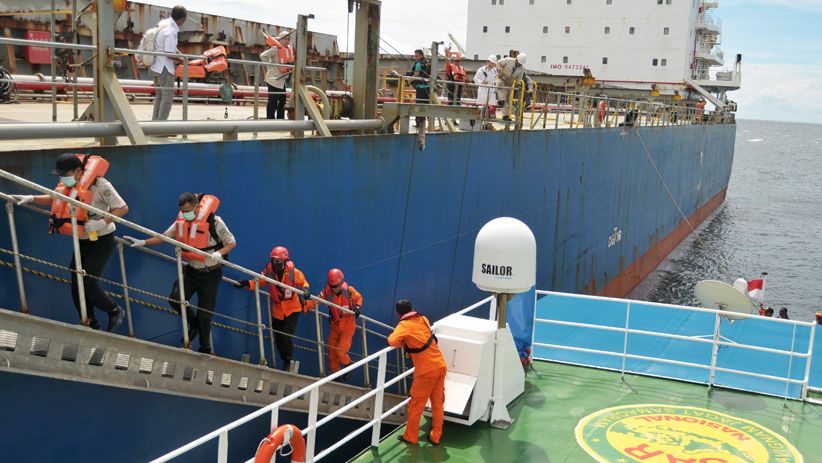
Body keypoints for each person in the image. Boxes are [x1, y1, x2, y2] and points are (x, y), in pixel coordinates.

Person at [14, 153, 128, 332]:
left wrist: (102, 222)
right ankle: (90, 323)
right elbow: (56, 199)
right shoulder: (68, 183)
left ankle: (114, 310)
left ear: (77, 171)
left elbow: (122, 208)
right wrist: (32, 198)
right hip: (82, 239)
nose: (62, 178)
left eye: (65, 174)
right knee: (76, 283)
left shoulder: (101, 185)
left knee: (88, 282)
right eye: (60, 175)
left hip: (102, 240)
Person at [125, 192, 236, 354]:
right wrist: (143, 242)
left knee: (205, 314)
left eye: (189, 211)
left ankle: (205, 349)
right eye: (183, 211)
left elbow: (231, 242)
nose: (186, 214)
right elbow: (164, 237)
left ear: (197, 207)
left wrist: (219, 253)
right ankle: (194, 323)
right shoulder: (181, 222)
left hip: (210, 274)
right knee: (175, 299)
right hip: (191, 271)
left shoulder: (215, 222)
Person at [236, 246, 311, 371]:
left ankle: (288, 360)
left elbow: (304, 282)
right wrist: (247, 284)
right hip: (277, 309)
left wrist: (306, 289)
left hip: (292, 308)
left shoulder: (294, 272)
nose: (275, 264)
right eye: (273, 261)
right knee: (278, 337)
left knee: (285, 336)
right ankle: (284, 360)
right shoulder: (268, 271)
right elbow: (259, 281)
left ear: (285, 261)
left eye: (278, 261)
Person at [388, 299, 447, 446]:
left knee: (416, 404)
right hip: (440, 365)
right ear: (412, 308)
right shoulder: (423, 318)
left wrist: (404, 342)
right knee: (438, 403)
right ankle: (436, 436)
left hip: (426, 371)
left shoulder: (404, 325)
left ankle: (411, 436)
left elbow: (392, 340)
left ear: (398, 313)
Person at [319, 268, 363, 380]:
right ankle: (336, 376)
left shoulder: (349, 291)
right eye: (332, 286)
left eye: (336, 286)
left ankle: (348, 365)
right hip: (335, 326)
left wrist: (357, 308)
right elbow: (316, 301)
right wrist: (304, 302)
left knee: (340, 351)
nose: (334, 289)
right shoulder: (326, 292)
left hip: (348, 326)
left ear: (341, 283)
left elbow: (358, 298)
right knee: (332, 352)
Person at [149, 5, 187, 121]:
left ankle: (155, 125)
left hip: (155, 66)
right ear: (182, 18)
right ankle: (161, 128)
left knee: (159, 97)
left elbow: (168, 47)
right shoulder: (172, 30)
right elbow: (169, 53)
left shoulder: (163, 23)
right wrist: (183, 60)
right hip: (164, 68)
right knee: (167, 99)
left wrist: (180, 54)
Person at [260, 31, 294, 120]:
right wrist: (270, 66)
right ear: (280, 39)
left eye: (288, 39)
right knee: (273, 101)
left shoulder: (288, 50)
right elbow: (263, 56)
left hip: (281, 80)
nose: (287, 41)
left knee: (282, 101)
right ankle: (270, 119)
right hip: (273, 79)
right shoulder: (275, 48)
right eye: (285, 39)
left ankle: (280, 119)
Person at [495, 53, 527, 121]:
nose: (519, 64)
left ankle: (505, 116)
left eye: (521, 63)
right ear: (517, 59)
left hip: (510, 84)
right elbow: (498, 63)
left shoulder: (521, 68)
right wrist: (499, 71)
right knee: (500, 88)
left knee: (509, 100)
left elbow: (519, 78)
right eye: (519, 63)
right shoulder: (508, 60)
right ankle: (501, 101)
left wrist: (518, 85)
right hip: (502, 79)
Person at [473, 55, 497, 120]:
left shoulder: (495, 71)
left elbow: (496, 81)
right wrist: (481, 82)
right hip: (483, 90)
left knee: (491, 105)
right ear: (488, 62)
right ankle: (479, 120)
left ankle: (488, 122)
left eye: (494, 63)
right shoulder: (481, 70)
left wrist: (496, 88)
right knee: (481, 106)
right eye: (492, 63)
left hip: (491, 91)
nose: (493, 65)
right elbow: (475, 79)